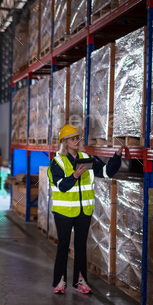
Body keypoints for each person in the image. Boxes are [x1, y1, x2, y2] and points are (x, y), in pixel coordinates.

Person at [47, 124, 123, 295]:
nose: (76, 141)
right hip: (64, 212)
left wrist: (116, 156)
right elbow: (61, 186)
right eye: (73, 138)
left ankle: (80, 281)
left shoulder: (86, 158)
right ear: (65, 142)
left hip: (83, 212)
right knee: (63, 246)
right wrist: (74, 176)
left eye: (77, 138)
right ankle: (60, 281)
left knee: (81, 246)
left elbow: (105, 172)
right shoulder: (57, 162)